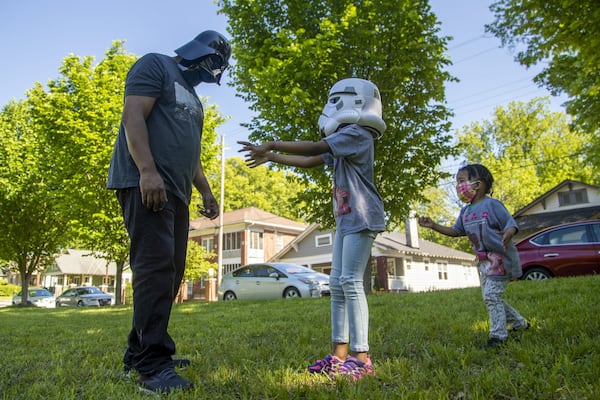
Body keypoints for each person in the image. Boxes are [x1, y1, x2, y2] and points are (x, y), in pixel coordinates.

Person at [107, 30, 231, 394]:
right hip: (144, 182)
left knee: (170, 273)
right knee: (155, 269)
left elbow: (190, 153)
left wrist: (206, 191)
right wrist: (147, 171)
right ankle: (151, 364)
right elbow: (133, 117)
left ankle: (139, 351)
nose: (211, 76)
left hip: (176, 191)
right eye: (212, 67)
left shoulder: (194, 99)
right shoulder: (155, 65)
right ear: (200, 55)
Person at [238, 78, 386, 380]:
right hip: (347, 218)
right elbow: (311, 160)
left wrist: (273, 143)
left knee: (351, 282)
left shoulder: (357, 134)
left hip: (363, 215)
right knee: (337, 284)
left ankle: (362, 357)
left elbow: (316, 146)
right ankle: (338, 355)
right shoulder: (344, 138)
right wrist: (270, 157)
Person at [418, 164, 529, 349]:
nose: (458, 187)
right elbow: (455, 231)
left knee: (491, 296)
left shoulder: (492, 205)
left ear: (477, 184)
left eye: (461, 181)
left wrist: (508, 234)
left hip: (500, 260)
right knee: (492, 297)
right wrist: (434, 225)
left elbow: (511, 224)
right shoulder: (465, 212)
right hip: (483, 262)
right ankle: (520, 324)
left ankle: (498, 337)